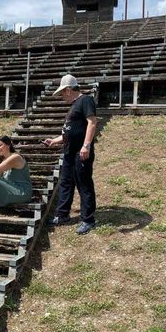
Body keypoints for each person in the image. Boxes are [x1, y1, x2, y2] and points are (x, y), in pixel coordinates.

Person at [44, 74, 97, 235]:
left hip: (80, 152)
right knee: (66, 183)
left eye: (61, 93)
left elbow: (92, 122)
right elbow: (69, 132)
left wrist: (86, 145)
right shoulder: (74, 106)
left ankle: (88, 219)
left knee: (84, 184)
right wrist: (54, 141)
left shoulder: (85, 100)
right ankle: (62, 215)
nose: (61, 96)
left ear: (68, 90)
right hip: (69, 151)